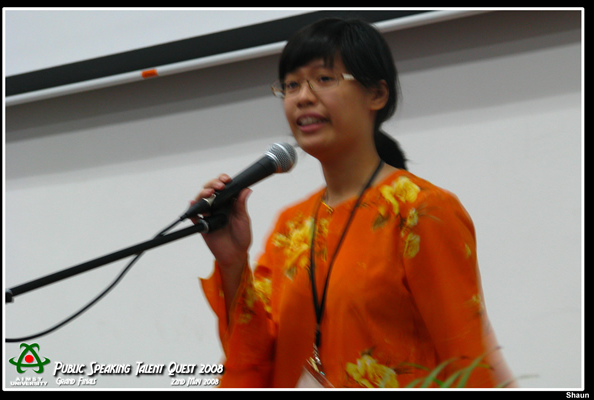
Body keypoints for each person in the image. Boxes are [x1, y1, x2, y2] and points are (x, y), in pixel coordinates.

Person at [194, 17, 515, 388]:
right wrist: (232, 262)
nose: (302, 97)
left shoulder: (420, 210)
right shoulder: (292, 226)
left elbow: (466, 358)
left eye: (324, 79)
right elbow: (254, 357)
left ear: (376, 94)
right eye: (291, 85)